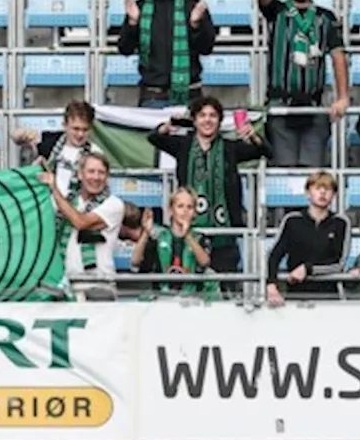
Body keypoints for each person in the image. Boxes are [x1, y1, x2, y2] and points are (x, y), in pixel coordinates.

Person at [254, 0, 349, 168]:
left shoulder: (325, 17)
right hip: (281, 105)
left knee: (314, 176)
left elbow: (338, 56)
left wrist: (343, 96)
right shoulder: (277, 11)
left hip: (314, 106)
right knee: (284, 173)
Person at [148, 95, 270, 276]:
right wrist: (167, 126)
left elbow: (265, 151)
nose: (207, 120)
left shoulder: (230, 148)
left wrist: (252, 135)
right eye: (202, 115)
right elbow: (154, 138)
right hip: (189, 229)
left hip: (224, 232)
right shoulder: (183, 145)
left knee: (224, 285)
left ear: (220, 121)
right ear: (195, 120)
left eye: (213, 115)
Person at [115, 0, 217, 107]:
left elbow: (207, 48)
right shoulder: (140, 7)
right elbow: (124, 49)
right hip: (153, 95)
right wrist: (132, 23)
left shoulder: (192, 6)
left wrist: (195, 26)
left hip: (190, 95)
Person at [40, 151, 125, 302]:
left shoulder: (114, 204)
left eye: (101, 173)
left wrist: (54, 189)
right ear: (80, 174)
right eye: (91, 171)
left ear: (107, 177)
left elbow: (80, 222)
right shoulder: (68, 201)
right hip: (68, 284)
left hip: (100, 285)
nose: (96, 177)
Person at [264, 170, 348, 306]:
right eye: (317, 188)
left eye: (328, 189)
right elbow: (275, 255)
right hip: (296, 295)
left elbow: (339, 263)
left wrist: (307, 269)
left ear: (334, 195)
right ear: (308, 192)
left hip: (329, 298)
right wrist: (271, 285)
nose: (323, 193)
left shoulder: (341, 223)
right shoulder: (292, 221)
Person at [126, 188, 216, 297]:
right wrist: (146, 232)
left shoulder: (200, 237)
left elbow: (205, 262)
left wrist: (187, 235)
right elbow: (135, 261)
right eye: (180, 206)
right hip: (161, 298)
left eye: (189, 207)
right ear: (171, 210)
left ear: (195, 212)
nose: (185, 211)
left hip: (192, 299)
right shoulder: (159, 236)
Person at [12, 100, 102, 197]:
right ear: (65, 125)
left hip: (77, 210)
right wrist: (22, 136)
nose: (80, 134)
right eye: (76, 129)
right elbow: (17, 138)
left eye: (85, 130)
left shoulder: (95, 153)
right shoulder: (49, 144)